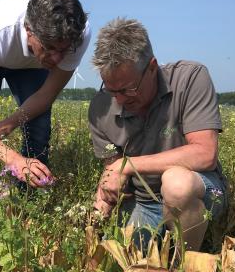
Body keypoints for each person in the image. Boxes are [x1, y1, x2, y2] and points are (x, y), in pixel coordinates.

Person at [88, 18, 227, 253]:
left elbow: (205, 154)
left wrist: (129, 164)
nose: (120, 100)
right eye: (111, 90)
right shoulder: (100, 108)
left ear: (152, 67)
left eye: (128, 89)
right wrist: (105, 197)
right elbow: (113, 168)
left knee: (177, 184)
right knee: (122, 262)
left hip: (201, 191)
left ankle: (187, 266)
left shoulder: (191, 78)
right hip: (144, 202)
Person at [0, 0, 90, 196]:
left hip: (28, 63)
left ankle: (29, 199)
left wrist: (4, 127)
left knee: (38, 127)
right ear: (29, 30)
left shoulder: (77, 34)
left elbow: (45, 96)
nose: (56, 60)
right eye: (49, 48)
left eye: (64, 50)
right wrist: (14, 160)